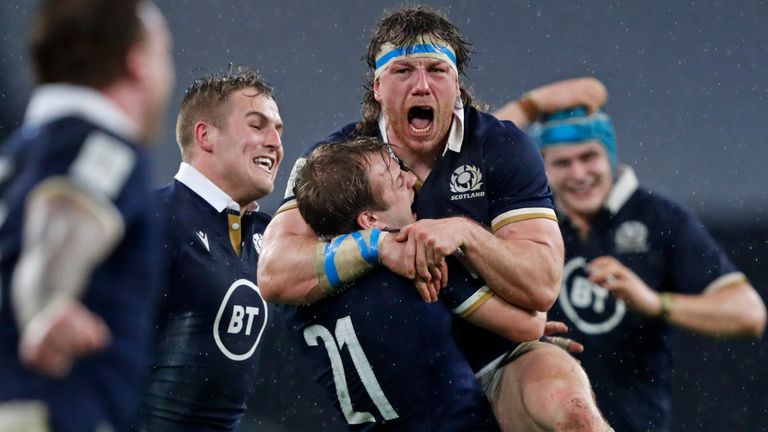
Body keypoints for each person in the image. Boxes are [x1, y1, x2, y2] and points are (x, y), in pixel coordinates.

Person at [259, 5, 611, 431]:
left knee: (572, 411)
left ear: (457, 86)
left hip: (499, 357)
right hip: (407, 373)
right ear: (377, 87)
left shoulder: (502, 147)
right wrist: (380, 246)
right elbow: (274, 273)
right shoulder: (335, 163)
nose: (421, 84)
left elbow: (539, 286)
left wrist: (463, 232)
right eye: (403, 70)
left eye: (437, 70)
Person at [526, 105, 767, 431]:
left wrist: (654, 302)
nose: (579, 173)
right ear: (541, 168)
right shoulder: (529, 221)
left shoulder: (660, 219)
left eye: (589, 157)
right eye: (562, 163)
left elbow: (747, 314)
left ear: (609, 156)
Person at [287, 136, 544, 430]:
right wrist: (471, 240)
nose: (412, 180)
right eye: (398, 180)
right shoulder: (414, 261)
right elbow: (531, 324)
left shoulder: (295, 294)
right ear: (370, 220)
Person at [0, 0, 174, 431]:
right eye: (163, 53)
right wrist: (46, 304)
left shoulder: (17, 157)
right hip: (49, 413)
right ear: (138, 64)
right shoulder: (102, 143)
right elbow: (61, 221)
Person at [131, 66, 283, 431]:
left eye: (278, 130)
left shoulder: (273, 236)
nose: (275, 143)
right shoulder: (150, 220)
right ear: (205, 135)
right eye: (257, 125)